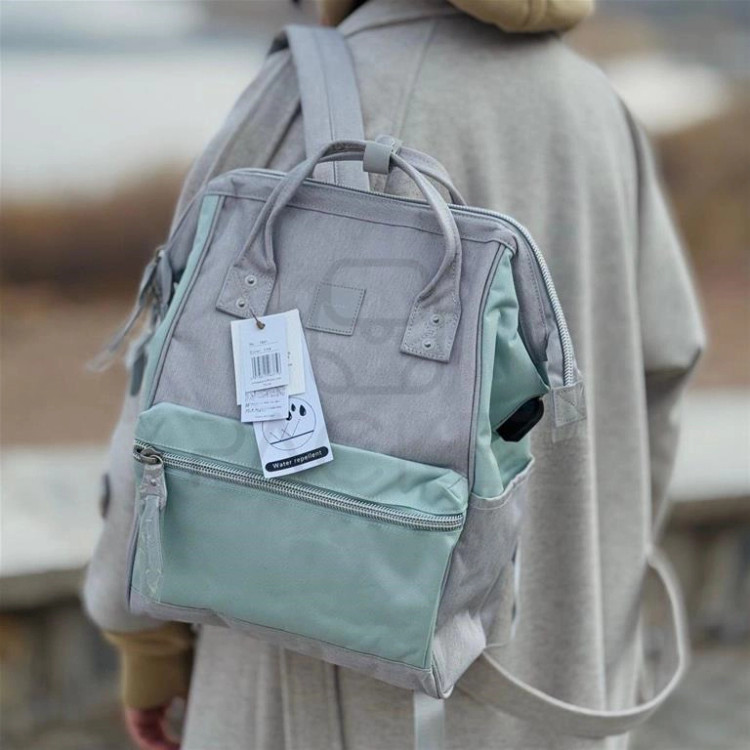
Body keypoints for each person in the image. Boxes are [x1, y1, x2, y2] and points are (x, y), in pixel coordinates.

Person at [84, 1, 705, 748]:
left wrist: (145, 645)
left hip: (344, 711)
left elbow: (171, 382)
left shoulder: (301, 94)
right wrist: (600, 597)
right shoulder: (600, 105)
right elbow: (663, 372)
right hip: (565, 683)